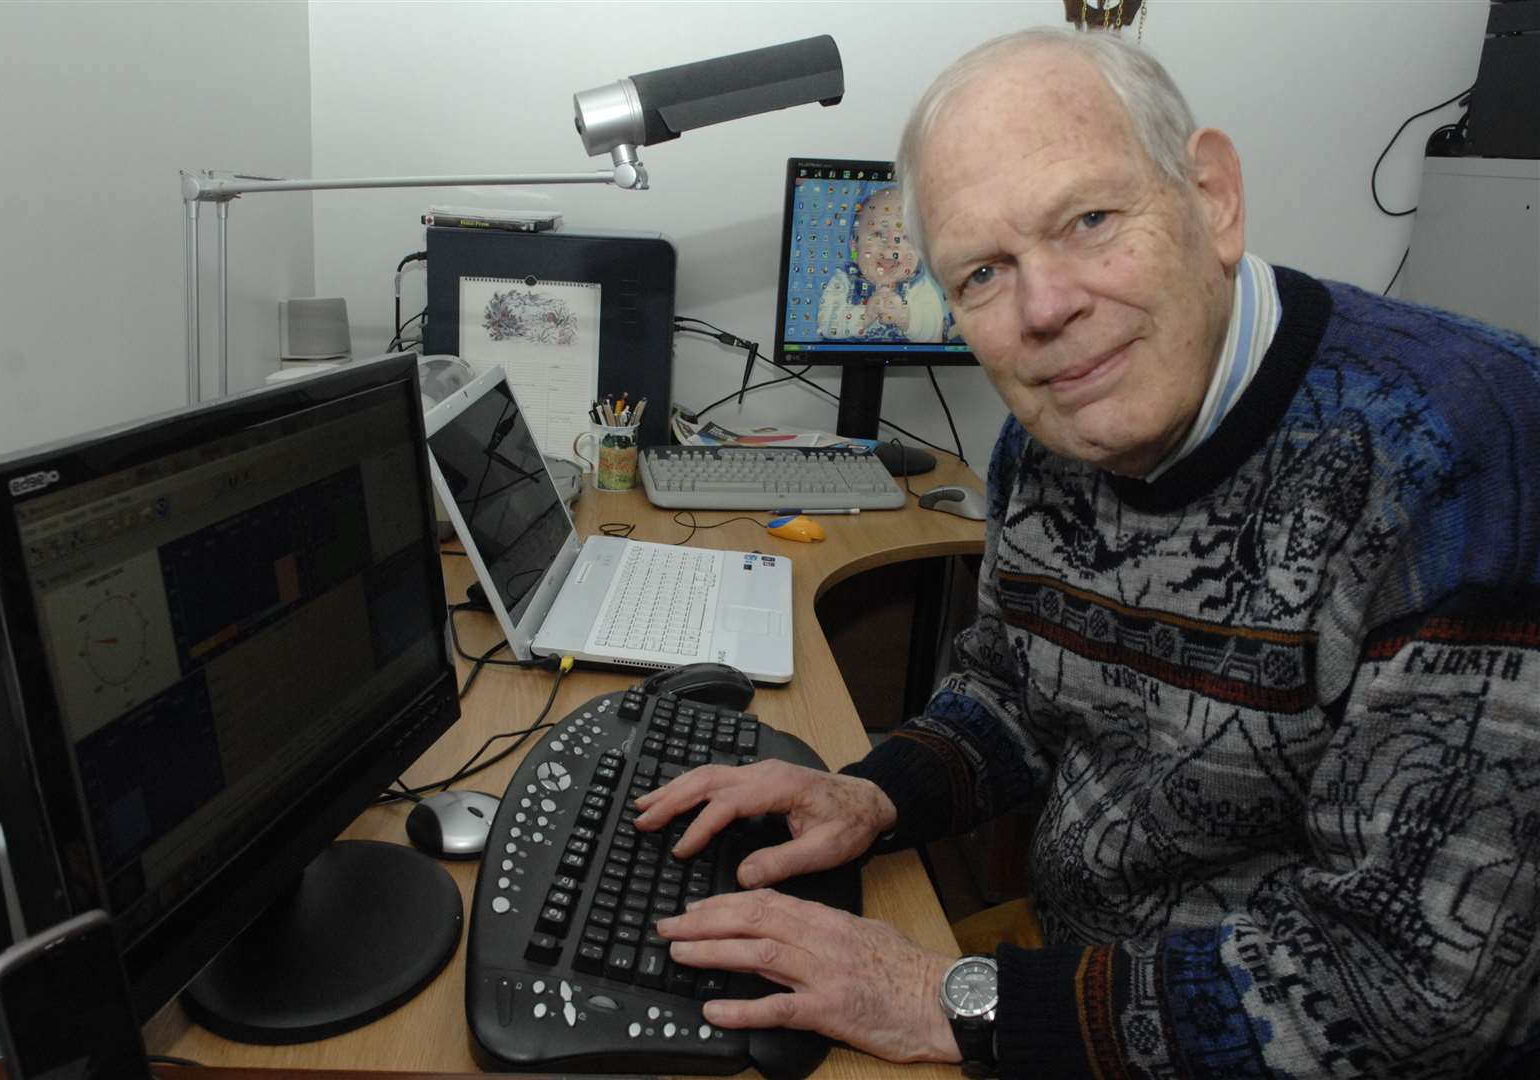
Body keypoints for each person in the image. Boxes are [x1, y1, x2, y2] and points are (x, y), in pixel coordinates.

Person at [634, 25, 1540, 1079]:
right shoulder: (1046, 437)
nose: (1044, 308)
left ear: (1210, 196)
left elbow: (1410, 995)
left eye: (1089, 220)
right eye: (981, 273)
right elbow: (1017, 693)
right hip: (1086, 985)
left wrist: (949, 998)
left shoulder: (1470, 451)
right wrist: (872, 796)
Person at [817, 184, 949, 342]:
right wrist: (865, 315)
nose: (892, 244)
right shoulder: (844, 280)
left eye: (906, 237)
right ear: (854, 244)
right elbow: (825, 324)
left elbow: (935, 334)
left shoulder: (920, 286)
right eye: (878, 233)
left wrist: (906, 318)